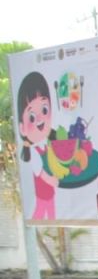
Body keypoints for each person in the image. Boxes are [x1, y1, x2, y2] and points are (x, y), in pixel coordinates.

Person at [16, 72, 58, 220]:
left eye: (44, 110)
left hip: (50, 193)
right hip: (42, 192)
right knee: (40, 212)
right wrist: (51, 180)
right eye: (32, 117)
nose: (40, 119)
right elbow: (40, 173)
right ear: (22, 128)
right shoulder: (34, 152)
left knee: (52, 215)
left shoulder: (46, 144)